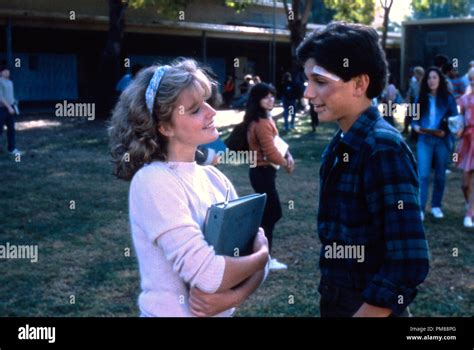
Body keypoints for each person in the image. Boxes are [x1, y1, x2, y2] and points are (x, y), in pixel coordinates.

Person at [108, 59, 269, 317]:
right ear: (164, 127)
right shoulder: (154, 181)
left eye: (206, 101)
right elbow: (209, 274)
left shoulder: (216, 179)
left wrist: (231, 297)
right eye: (195, 109)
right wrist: (260, 256)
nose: (211, 112)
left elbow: (258, 265)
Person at [297, 22, 429, 317]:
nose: (307, 92)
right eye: (307, 80)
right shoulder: (340, 144)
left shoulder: (382, 148)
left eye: (319, 80)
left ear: (359, 84)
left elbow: (408, 261)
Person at [245, 83, 295, 270]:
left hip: (263, 173)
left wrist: (287, 155)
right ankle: (263, 259)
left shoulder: (264, 119)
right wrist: (287, 163)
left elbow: (278, 144)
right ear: (257, 100)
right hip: (262, 172)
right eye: (266, 97)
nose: (271, 99)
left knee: (268, 215)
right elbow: (271, 152)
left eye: (272, 96)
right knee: (272, 214)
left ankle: (259, 255)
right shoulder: (262, 123)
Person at [412, 67, 458, 220]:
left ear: (440, 80)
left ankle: (436, 205)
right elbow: (414, 119)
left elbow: (455, 120)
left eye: (435, 78)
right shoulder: (420, 98)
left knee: (440, 175)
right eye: (429, 78)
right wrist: (416, 127)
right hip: (424, 140)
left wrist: (447, 130)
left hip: (442, 141)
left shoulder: (448, 98)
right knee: (423, 175)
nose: (432, 81)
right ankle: (420, 208)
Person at [455, 68, 474, 227]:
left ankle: (469, 215)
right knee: (465, 184)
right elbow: (459, 119)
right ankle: (471, 207)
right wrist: (458, 129)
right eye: (471, 78)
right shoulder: (464, 99)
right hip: (467, 141)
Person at [0, 65, 22, 155]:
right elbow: (0, 96)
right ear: (1, 72)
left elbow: (10, 96)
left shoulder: (10, 82)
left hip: (11, 109)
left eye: (8, 70)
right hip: (1, 108)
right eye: (5, 70)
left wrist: (14, 102)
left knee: (11, 129)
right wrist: (8, 107)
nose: (7, 72)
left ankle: (12, 148)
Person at [404, 66, 424, 134]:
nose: (414, 75)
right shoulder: (413, 82)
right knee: (408, 115)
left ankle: (414, 132)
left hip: (420, 101)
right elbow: (410, 91)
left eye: (415, 73)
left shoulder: (424, 83)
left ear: (419, 74)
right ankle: (406, 129)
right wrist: (407, 98)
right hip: (413, 100)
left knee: (416, 117)